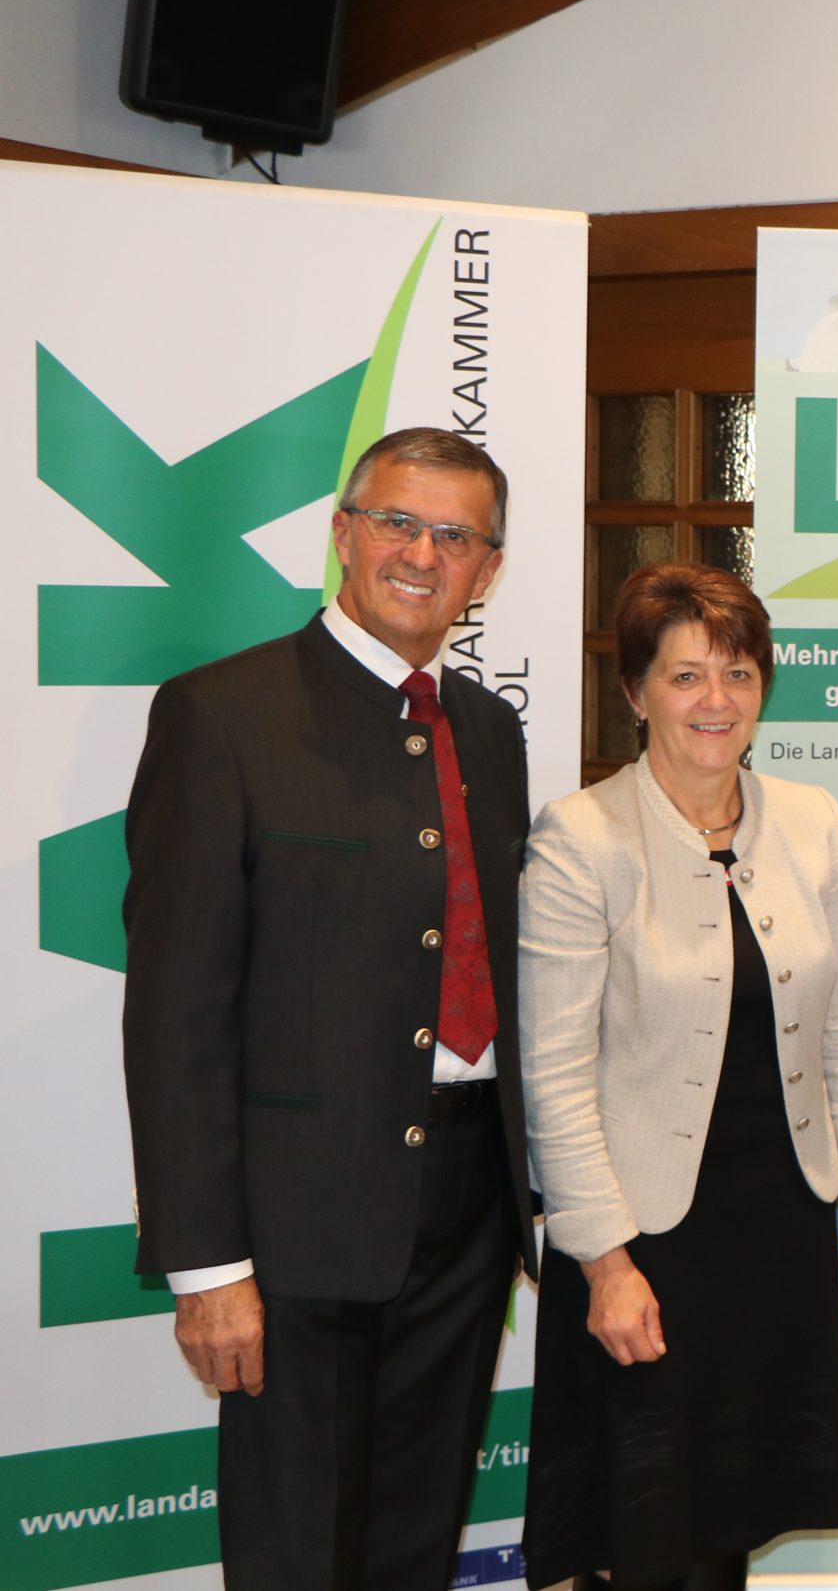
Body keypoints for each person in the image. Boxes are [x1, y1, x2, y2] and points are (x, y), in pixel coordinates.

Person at [120, 426, 535, 1590]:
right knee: (297, 1552)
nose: (422, 553)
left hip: (468, 1208)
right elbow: (175, 1018)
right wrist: (207, 1265)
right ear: (343, 534)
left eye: (455, 536)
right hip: (292, 1228)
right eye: (398, 522)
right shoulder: (222, 716)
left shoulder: (488, 730)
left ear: (488, 570)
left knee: (415, 1542)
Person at [516, 563, 838, 1591]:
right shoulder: (581, 838)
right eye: (684, 677)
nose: (715, 701)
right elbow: (554, 1076)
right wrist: (604, 1263)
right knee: (645, 1536)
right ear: (635, 693)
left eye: (737, 674)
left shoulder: (811, 820)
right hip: (643, 1240)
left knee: (734, 1512)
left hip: (776, 1228)